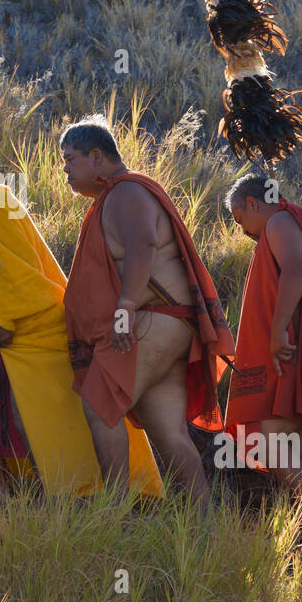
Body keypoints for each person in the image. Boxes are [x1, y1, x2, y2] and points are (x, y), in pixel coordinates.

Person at [0, 117, 161, 497]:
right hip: (17, 333)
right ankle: (4, 497)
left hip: (28, 332)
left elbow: (23, 277)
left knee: (31, 417)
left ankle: (67, 496)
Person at [60, 115, 234, 502]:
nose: (66, 170)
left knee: (99, 404)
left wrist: (124, 309)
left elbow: (144, 245)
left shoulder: (126, 193)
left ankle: (115, 513)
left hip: (154, 319)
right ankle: (203, 522)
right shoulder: (119, 194)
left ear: (96, 156)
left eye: (70, 160)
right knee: (166, 431)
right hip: (166, 324)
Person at [221, 172, 302, 538]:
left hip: (289, 353)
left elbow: (297, 268)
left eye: (239, 219)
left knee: (273, 445)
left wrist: (278, 329)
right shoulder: (300, 223)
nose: (243, 230)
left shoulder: (279, 220)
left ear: (253, 204)